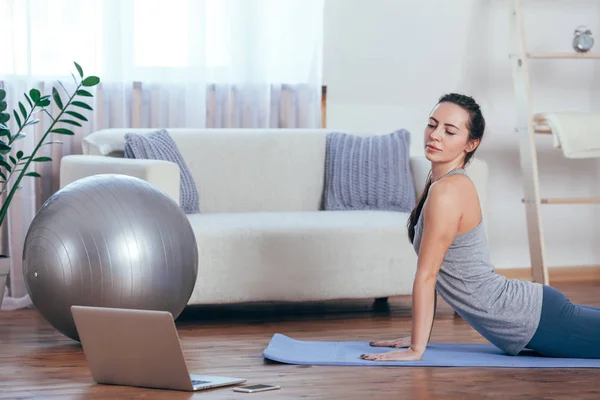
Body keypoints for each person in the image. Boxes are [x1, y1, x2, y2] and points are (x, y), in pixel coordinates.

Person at [360, 93, 600, 362]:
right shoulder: (441, 186)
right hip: (531, 316)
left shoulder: (448, 192)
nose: (435, 135)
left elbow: (427, 277)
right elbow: (439, 276)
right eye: (432, 124)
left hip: (532, 319)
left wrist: (416, 350)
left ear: (471, 143)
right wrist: (419, 338)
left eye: (450, 131)